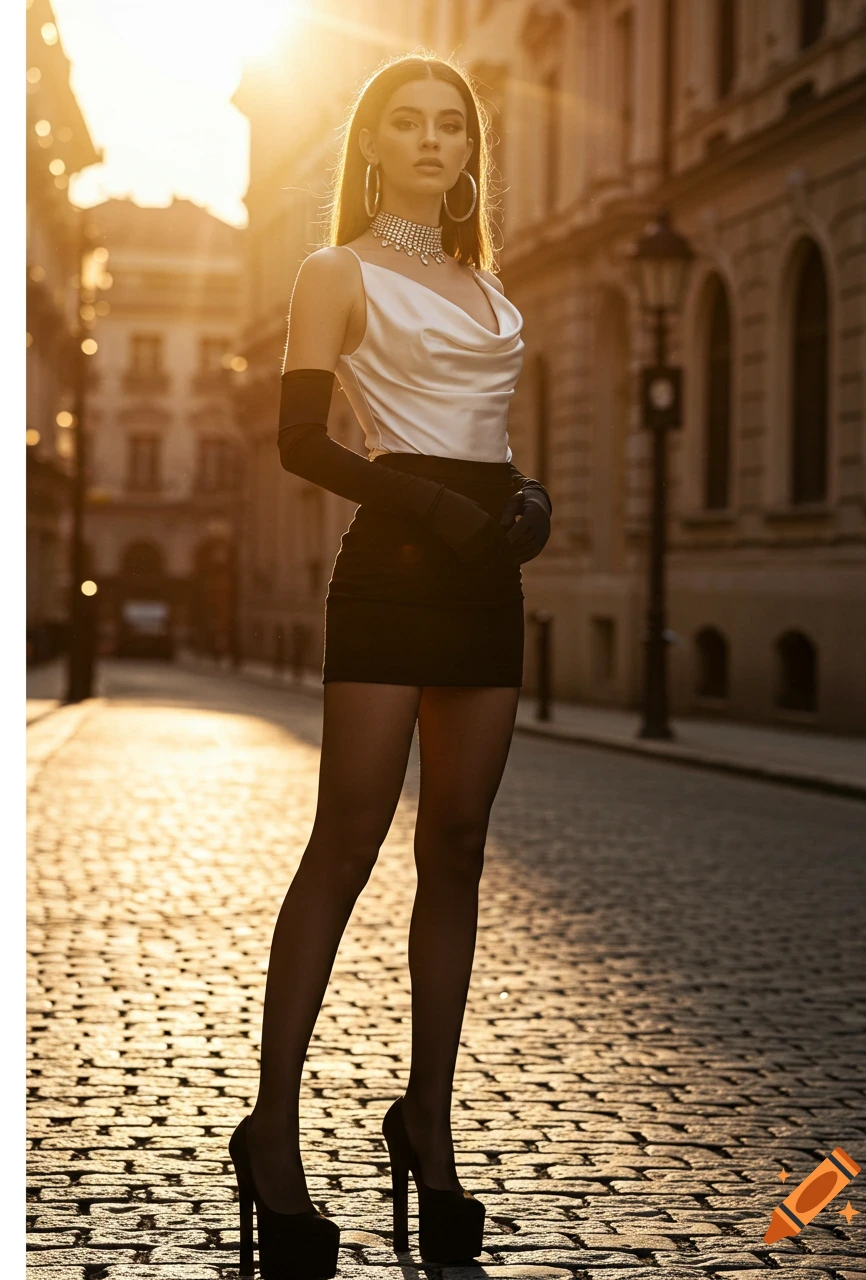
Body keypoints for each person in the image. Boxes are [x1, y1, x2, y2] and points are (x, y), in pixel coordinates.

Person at [228, 52, 552, 1278]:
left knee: (457, 843)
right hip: (390, 569)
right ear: (370, 145)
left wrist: (523, 495)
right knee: (346, 842)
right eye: (406, 124)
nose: (430, 141)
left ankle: (428, 1122)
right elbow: (300, 439)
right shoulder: (332, 269)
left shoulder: (485, 284)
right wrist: (432, 504)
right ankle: (272, 1129)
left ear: (471, 148)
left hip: (483, 574)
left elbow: (492, 430)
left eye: (450, 126)